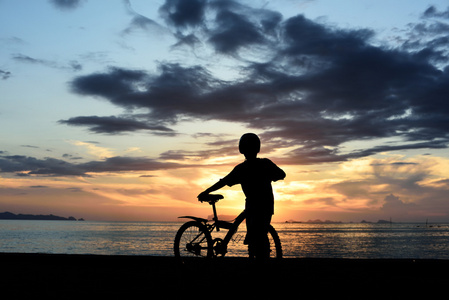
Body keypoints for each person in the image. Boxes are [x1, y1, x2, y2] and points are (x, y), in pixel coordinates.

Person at [198, 133, 286, 259]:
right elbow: (281, 174)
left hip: (255, 206)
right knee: (259, 234)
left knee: (256, 235)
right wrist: (270, 176)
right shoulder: (264, 164)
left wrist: (206, 192)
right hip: (263, 205)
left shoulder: (242, 168)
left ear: (242, 149)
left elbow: (223, 182)